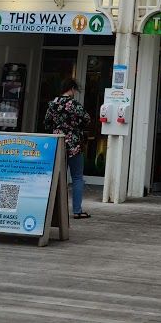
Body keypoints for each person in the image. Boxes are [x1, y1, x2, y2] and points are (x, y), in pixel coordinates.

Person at [43, 77, 92, 219]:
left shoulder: (52, 104)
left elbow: (46, 122)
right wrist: (75, 127)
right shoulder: (73, 104)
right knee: (77, 177)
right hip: (73, 143)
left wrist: (58, 127)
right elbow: (87, 119)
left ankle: (53, 209)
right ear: (71, 89)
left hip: (57, 142)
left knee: (57, 176)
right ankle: (77, 210)